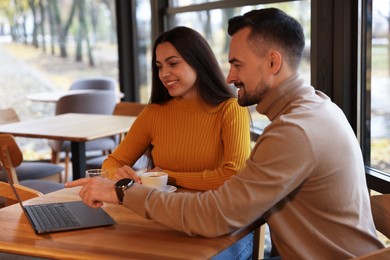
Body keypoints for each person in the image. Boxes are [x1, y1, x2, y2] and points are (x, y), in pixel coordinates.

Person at [66, 8, 385, 259]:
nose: (230, 75)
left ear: (273, 62)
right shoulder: (319, 107)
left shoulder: (294, 130)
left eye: (237, 64)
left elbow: (216, 214)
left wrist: (122, 190)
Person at [102, 26, 251, 191]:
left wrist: (166, 176)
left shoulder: (230, 109)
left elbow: (235, 175)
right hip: (160, 210)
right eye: (159, 66)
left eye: (173, 63)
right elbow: (112, 163)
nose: (164, 74)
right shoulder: (154, 113)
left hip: (210, 212)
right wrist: (117, 174)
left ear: (198, 62)